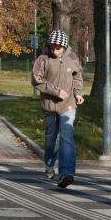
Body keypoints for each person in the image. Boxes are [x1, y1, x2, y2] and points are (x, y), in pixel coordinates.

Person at [32, 29, 84, 188]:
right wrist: (54, 91)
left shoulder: (72, 58)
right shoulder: (42, 59)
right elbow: (36, 80)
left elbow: (77, 76)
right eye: (52, 47)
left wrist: (78, 93)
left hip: (68, 105)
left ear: (64, 46)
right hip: (49, 106)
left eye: (57, 47)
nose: (54, 50)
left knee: (67, 138)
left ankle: (66, 174)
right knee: (51, 140)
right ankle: (49, 165)